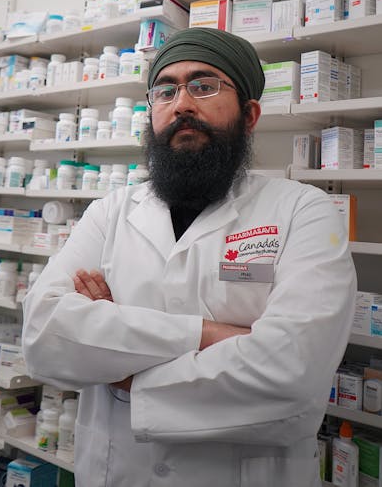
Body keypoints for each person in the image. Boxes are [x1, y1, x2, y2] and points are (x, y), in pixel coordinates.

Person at [22, 27, 356, 487]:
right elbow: (44, 335)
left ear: (250, 113)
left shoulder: (303, 209)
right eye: (166, 90)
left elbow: (293, 370)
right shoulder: (110, 213)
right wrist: (210, 334)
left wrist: (121, 370)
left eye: (204, 86)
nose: (181, 104)